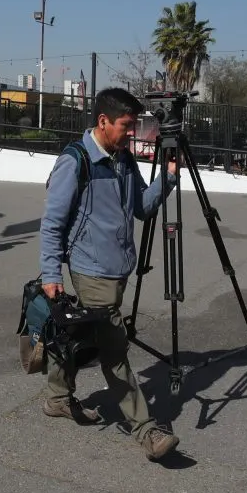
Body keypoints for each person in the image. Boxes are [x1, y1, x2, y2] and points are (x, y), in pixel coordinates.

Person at [39, 87, 181, 461]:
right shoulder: (76, 161)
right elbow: (52, 222)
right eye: (126, 125)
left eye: (134, 125)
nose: (131, 132)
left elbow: (141, 209)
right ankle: (147, 430)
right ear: (103, 121)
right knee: (114, 350)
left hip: (118, 267)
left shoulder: (123, 159)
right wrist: (50, 272)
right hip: (90, 269)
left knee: (78, 333)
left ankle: (57, 397)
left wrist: (166, 177)